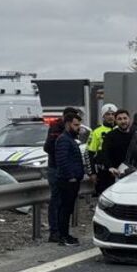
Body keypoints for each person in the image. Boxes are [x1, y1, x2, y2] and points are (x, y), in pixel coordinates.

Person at [43, 107, 80, 242]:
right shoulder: (57, 130)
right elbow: (48, 148)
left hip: (62, 170)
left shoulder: (67, 134)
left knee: (64, 203)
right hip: (57, 169)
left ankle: (61, 231)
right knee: (57, 201)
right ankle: (55, 232)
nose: (76, 126)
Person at [55, 113, 85, 246]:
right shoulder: (64, 140)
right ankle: (63, 236)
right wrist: (71, 176)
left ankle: (65, 235)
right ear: (68, 124)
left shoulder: (70, 139)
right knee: (65, 209)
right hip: (67, 181)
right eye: (76, 125)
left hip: (72, 180)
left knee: (68, 209)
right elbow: (62, 161)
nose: (78, 128)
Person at [99, 109, 137, 181]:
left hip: (135, 174)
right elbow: (104, 154)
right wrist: (110, 167)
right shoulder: (110, 136)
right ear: (115, 121)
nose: (123, 121)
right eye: (119, 119)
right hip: (116, 175)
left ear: (129, 119)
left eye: (125, 118)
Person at [88, 103, 118, 196]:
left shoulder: (120, 129)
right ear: (103, 116)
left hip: (118, 169)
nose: (110, 117)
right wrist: (92, 173)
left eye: (113, 114)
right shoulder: (96, 131)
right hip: (103, 172)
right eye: (107, 114)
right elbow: (90, 153)